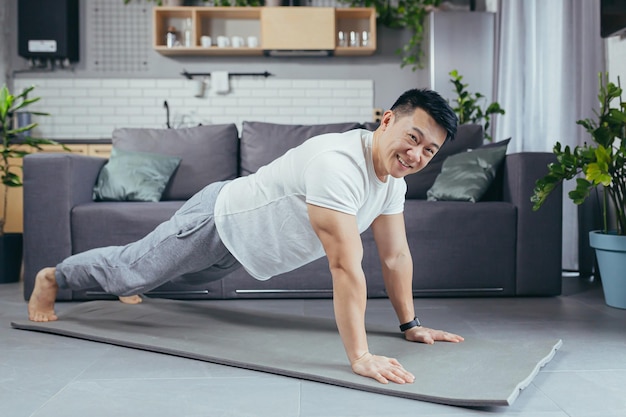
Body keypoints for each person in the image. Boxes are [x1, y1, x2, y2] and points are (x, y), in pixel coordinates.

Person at [28, 88, 464, 385]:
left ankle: (138, 281)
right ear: (387, 120)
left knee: (157, 282)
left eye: (429, 150)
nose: (416, 155)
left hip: (243, 253)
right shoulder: (338, 165)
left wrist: (410, 325)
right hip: (216, 223)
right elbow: (345, 265)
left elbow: (395, 256)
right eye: (413, 137)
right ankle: (53, 278)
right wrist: (361, 357)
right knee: (129, 273)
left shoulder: (393, 182)